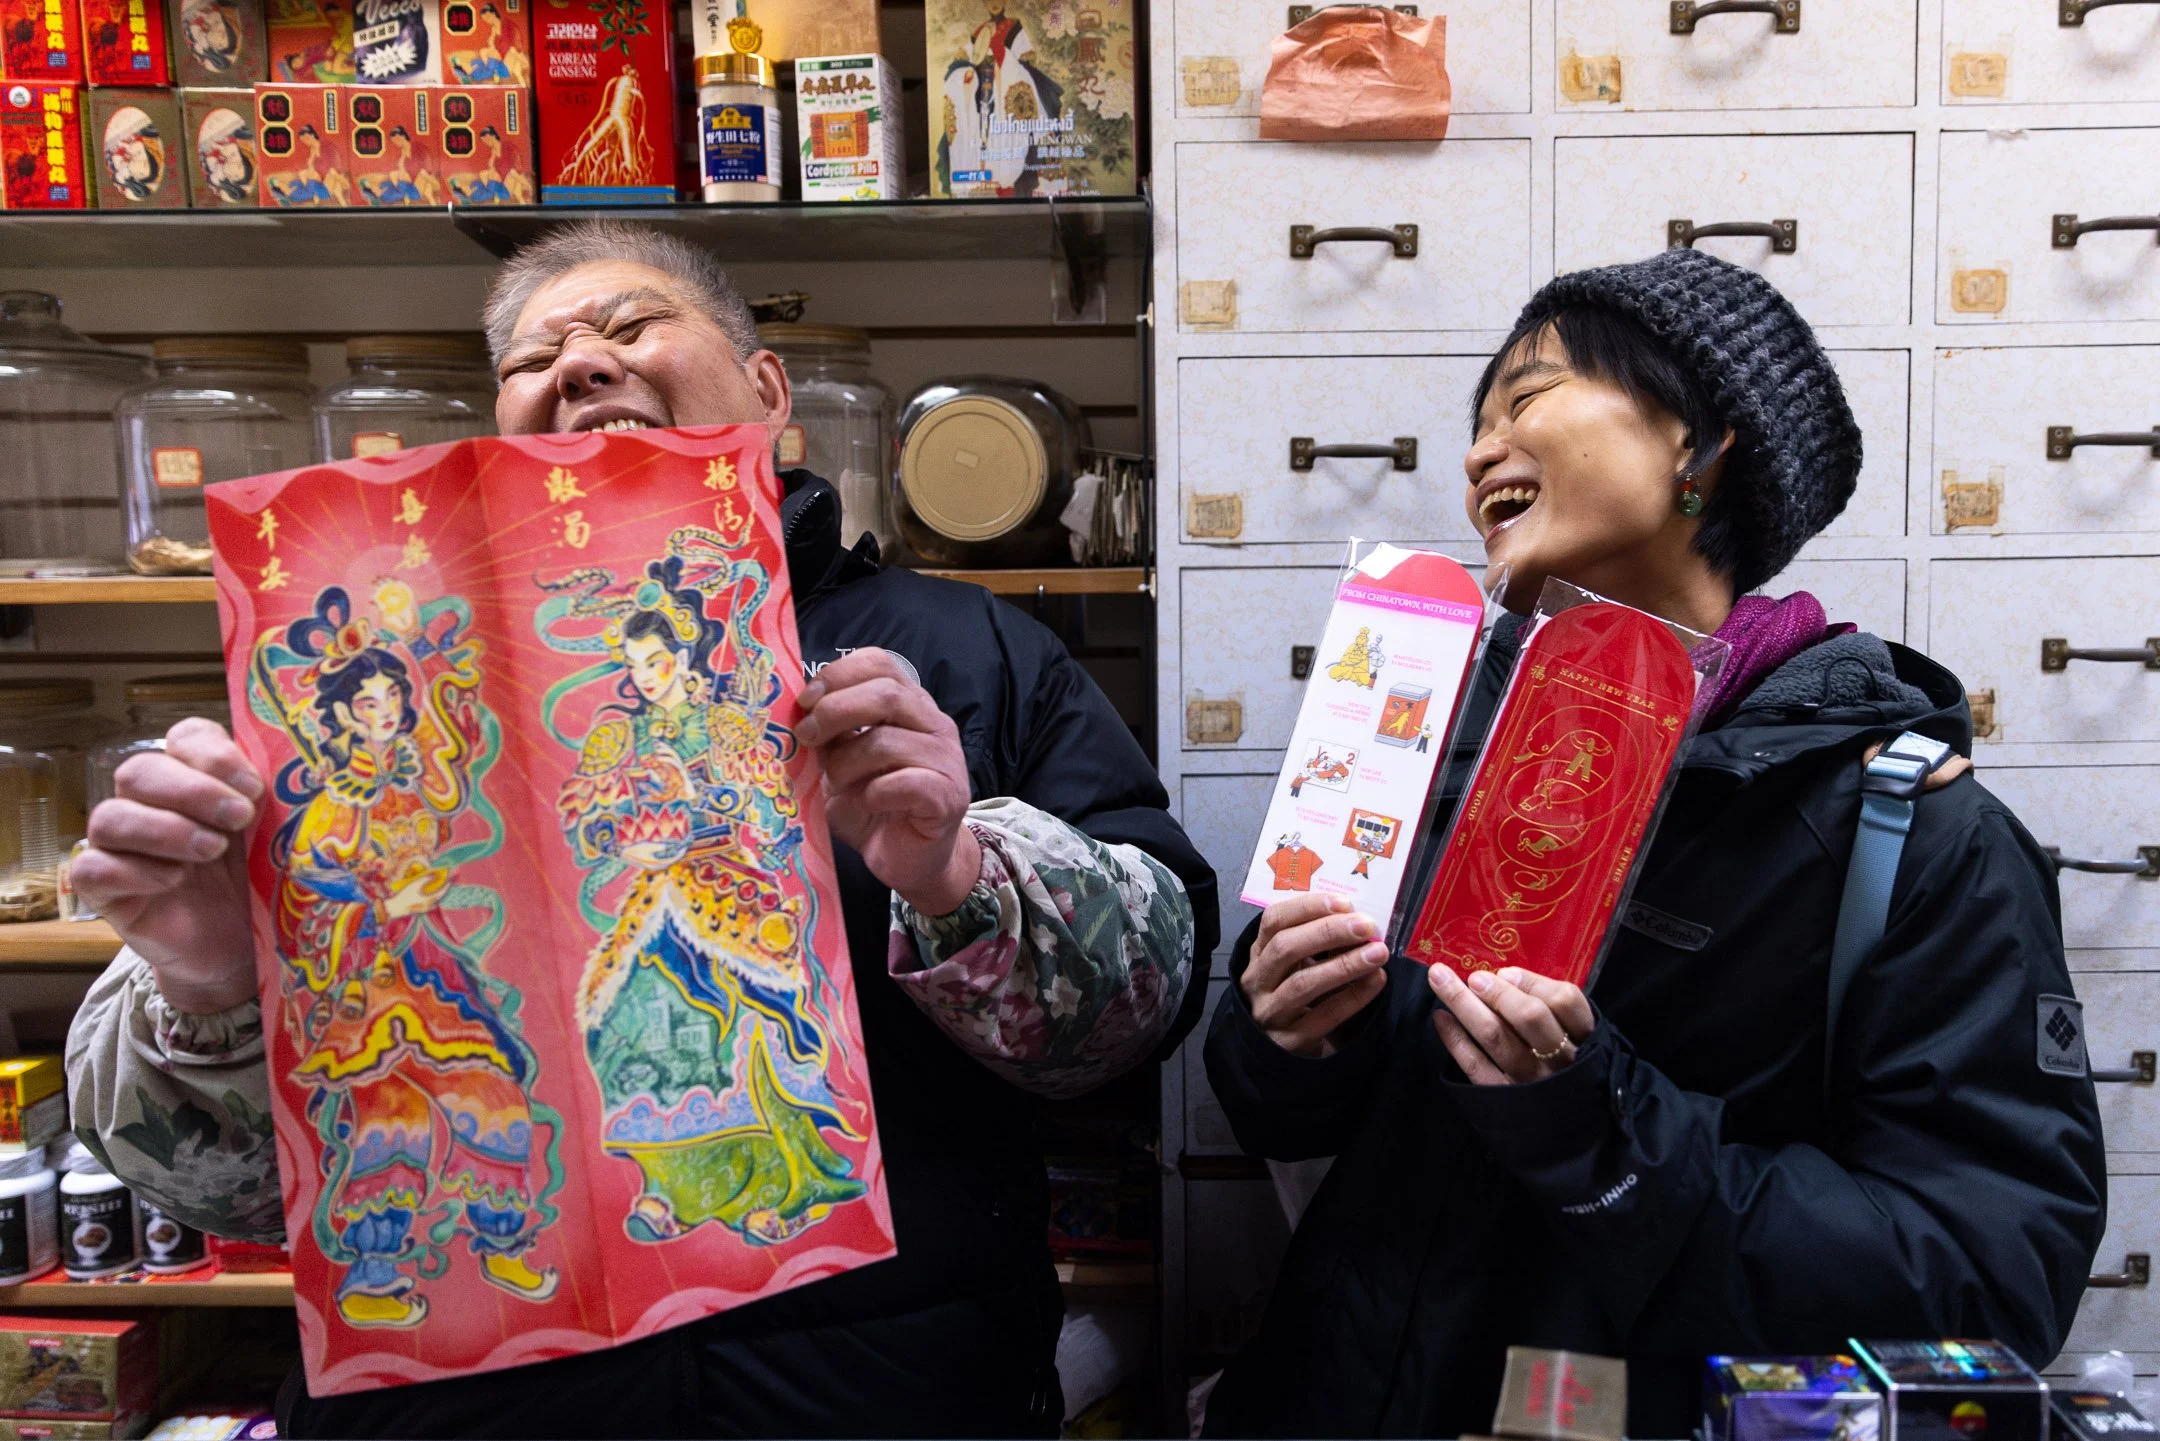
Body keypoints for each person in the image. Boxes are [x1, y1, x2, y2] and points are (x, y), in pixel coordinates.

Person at [65, 219, 1216, 1439]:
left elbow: (1145, 1018)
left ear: (769, 393)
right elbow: (225, 1191)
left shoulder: (966, 654)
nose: (580, 365)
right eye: (533, 358)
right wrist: (212, 980)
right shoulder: (360, 677)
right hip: (462, 1399)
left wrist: (959, 876)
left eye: (626, 327)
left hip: (886, 1384)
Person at [1202, 249, 2105, 1439]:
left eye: (1528, 397)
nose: (1481, 451)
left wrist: (1601, 1128)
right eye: (1477, 421)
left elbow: (1989, 1276)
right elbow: (1285, 1117)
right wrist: (1286, 1034)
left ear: (1703, 446)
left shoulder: (1915, 832)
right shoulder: (1421, 758)